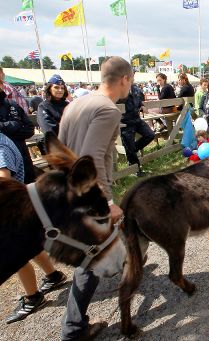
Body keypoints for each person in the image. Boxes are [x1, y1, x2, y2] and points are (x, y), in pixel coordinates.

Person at [58, 56, 131, 340]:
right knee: (89, 260)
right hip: (91, 196)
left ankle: (126, 267)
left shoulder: (74, 104)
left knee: (93, 252)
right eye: (131, 81)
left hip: (69, 190)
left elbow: (64, 149)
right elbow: (92, 157)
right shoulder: (108, 109)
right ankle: (73, 330)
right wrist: (108, 201)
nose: (130, 86)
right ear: (124, 79)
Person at [1, 131, 67, 324]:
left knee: (16, 255)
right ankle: (52, 275)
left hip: (11, 208)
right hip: (16, 206)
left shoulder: (1, 147)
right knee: (29, 247)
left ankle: (33, 296)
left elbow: (3, 180)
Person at [0, 87, 36, 183]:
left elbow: (30, 129)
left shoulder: (12, 104)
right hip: (5, 167)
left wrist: (7, 134)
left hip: (25, 162)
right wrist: (15, 125)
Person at [119, 84, 155, 177]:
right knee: (129, 144)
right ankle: (135, 170)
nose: (132, 77)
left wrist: (142, 106)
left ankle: (133, 149)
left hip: (137, 119)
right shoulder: (118, 88)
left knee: (150, 135)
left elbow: (139, 101)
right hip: (125, 121)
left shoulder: (135, 89)